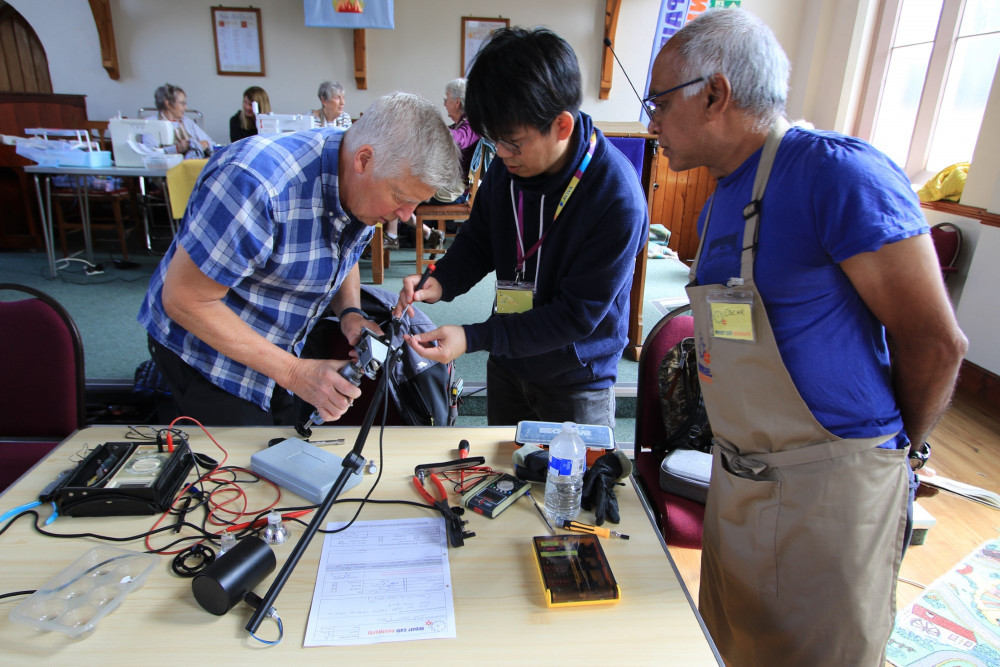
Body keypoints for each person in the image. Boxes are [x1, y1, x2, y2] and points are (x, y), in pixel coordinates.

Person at [645, 8, 967, 665]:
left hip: (830, 500)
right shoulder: (716, 204)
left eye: (659, 102)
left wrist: (891, 456)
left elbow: (935, 341)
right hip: (738, 486)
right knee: (732, 649)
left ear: (715, 93)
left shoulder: (837, 175)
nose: (650, 122)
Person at [138, 92, 460, 426]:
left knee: (285, 445)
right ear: (364, 160)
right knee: (242, 468)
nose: (406, 216)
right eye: (401, 198)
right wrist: (293, 372)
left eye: (415, 204)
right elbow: (184, 300)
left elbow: (343, 252)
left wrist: (350, 313)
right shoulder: (256, 184)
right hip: (205, 352)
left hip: (283, 339)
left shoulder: (361, 182)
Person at [393, 27, 649, 428]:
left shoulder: (615, 197)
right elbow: (478, 242)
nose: (503, 155)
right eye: (495, 142)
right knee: (505, 480)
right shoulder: (507, 169)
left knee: (573, 488)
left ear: (562, 126)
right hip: (511, 360)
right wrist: (439, 281)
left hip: (576, 379)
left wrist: (473, 337)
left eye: (513, 143)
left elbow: (573, 317)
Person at [384, 78, 479, 250]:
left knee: (398, 188)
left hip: (454, 191)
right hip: (448, 184)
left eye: (446, 98)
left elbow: (459, 140)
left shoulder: (470, 126)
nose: (444, 103)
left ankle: (392, 235)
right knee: (398, 187)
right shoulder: (460, 125)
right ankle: (427, 233)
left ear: (457, 102)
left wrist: (430, 127)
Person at [143, 83, 215, 159]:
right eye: (182, 103)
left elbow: (211, 144)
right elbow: (150, 153)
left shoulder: (187, 122)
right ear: (168, 104)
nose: (185, 107)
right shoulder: (151, 124)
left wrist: (203, 144)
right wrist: (176, 149)